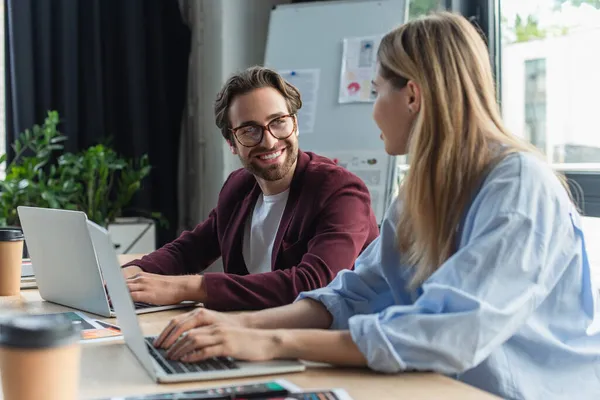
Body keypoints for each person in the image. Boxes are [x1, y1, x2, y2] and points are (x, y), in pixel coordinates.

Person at [150, 12, 600, 400]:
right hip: (435, 385)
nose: (372, 110)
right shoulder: (424, 189)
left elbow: (448, 333)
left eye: (376, 90)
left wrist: (272, 343)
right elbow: (352, 294)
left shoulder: (518, 185)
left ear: (412, 96)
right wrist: (243, 331)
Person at [121, 66, 379, 311]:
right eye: (249, 130)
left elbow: (312, 283)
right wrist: (130, 274)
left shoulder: (340, 191)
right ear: (232, 142)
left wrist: (189, 287)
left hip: (332, 344)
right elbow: (188, 250)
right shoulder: (239, 186)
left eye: (278, 121)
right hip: (254, 333)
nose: (268, 141)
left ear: (295, 124)